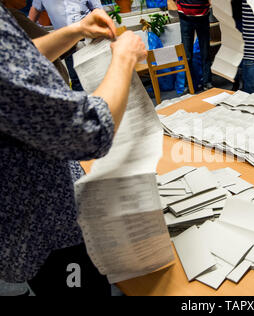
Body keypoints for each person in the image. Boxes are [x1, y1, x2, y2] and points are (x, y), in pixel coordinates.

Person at [0, 2, 147, 296]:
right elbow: (89, 131)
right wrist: (123, 60)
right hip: (46, 225)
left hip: (43, 209)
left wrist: (75, 31)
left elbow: (20, 62)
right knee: (78, 285)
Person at [28, 0, 104, 91]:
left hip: (91, 40)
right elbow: (32, 16)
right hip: (68, 45)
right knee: (77, 80)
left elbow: (98, 10)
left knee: (98, 75)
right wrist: (42, 34)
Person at [176, 0, 213, 91]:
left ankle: (207, 82)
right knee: (187, 55)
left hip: (203, 16)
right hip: (185, 17)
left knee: (205, 52)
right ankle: (189, 84)